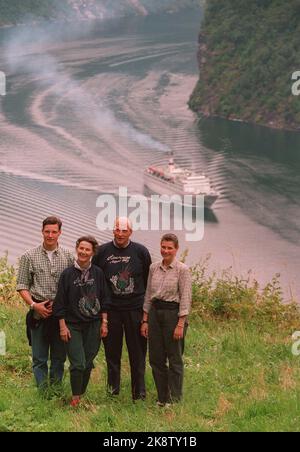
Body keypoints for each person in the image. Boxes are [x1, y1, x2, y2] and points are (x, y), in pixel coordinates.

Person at [92, 217, 151, 401]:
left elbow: (149, 281)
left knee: (138, 353)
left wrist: (145, 316)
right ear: (113, 230)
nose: (120, 234)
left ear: (130, 232)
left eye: (124, 231)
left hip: (135, 309)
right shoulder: (102, 252)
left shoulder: (141, 251)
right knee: (112, 353)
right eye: (117, 229)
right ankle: (113, 391)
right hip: (111, 310)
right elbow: (95, 280)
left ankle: (139, 393)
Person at [16, 216, 74, 388]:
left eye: (54, 232)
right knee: (39, 357)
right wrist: (34, 305)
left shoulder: (68, 256)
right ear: (42, 231)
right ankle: (42, 391)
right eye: (47, 231)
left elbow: (72, 286)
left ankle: (55, 390)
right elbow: (22, 285)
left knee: (58, 357)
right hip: (38, 310)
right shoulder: (29, 256)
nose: (50, 235)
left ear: (60, 233)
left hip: (60, 313)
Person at [53, 236, 111, 407]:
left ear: (93, 253)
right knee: (78, 363)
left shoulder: (98, 273)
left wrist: (104, 322)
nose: (83, 252)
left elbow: (105, 299)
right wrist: (62, 327)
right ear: (76, 248)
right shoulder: (67, 274)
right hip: (73, 325)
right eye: (81, 248)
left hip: (94, 324)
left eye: (87, 250)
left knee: (87, 363)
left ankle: (81, 394)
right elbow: (60, 304)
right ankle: (75, 398)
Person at [141, 233, 192, 407]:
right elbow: (148, 294)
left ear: (176, 249)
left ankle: (175, 399)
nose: (166, 250)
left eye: (170, 248)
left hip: (173, 314)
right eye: (163, 247)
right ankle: (162, 398)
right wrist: (145, 320)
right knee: (155, 358)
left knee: (174, 358)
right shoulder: (154, 268)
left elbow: (185, 297)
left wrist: (181, 324)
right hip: (155, 314)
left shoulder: (182, 270)